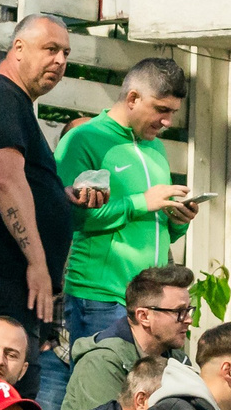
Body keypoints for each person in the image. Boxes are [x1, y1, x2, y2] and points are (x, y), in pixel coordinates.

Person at [0, 14, 103, 364]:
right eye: (50, 49)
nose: (60, 61)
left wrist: (60, 199)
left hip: (7, 283)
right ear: (18, 48)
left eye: (66, 53)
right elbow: (6, 181)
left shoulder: (12, 102)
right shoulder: (0, 97)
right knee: (1, 398)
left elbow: (16, 182)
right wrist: (37, 262)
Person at [53, 56, 196, 351]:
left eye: (173, 112)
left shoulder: (155, 147)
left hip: (151, 303)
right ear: (132, 98)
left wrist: (178, 221)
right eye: (161, 109)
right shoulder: (84, 139)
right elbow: (66, 219)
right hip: (101, 297)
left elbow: (155, 227)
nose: (167, 121)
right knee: (101, 392)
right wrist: (140, 202)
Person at [55, 265, 195, 410]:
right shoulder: (101, 363)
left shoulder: (177, 360)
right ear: (143, 316)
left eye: (188, 310)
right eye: (179, 312)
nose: (188, 320)